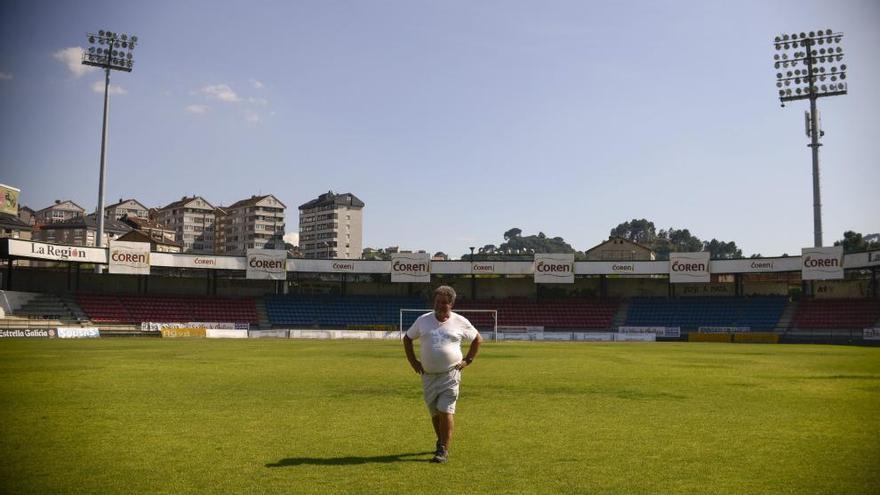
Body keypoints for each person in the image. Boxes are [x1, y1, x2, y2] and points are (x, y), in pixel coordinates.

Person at [403, 285, 483, 464]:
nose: (439, 305)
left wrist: (468, 360)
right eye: (437, 302)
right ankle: (441, 442)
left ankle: (443, 450)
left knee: (445, 410)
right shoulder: (423, 320)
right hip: (428, 375)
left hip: (450, 374)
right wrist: (413, 362)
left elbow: (477, 339)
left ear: (451, 304)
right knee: (434, 412)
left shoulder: (460, 321)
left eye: (444, 303)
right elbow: (407, 338)